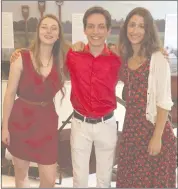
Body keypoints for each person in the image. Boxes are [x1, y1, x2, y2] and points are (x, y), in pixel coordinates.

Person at [2, 14, 67, 188]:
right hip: (21, 120)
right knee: (21, 177)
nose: (49, 31)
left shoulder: (62, 61)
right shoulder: (21, 58)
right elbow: (9, 95)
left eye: (54, 28)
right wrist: (4, 127)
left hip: (46, 122)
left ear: (59, 34)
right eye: (44, 27)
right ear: (38, 31)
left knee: (49, 179)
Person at [115, 7, 177, 188]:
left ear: (148, 30)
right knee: (130, 182)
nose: (135, 30)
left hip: (153, 131)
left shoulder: (157, 58)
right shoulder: (126, 57)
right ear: (126, 28)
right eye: (132, 25)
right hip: (131, 132)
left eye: (141, 26)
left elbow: (164, 102)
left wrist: (157, 137)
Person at [66, 6, 122, 188]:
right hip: (79, 124)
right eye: (91, 26)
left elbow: (142, 59)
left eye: (100, 26)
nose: (95, 32)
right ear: (84, 29)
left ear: (108, 30)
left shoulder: (117, 59)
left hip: (106, 125)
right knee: (79, 180)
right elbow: (46, 54)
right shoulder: (73, 55)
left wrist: (160, 52)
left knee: (104, 180)